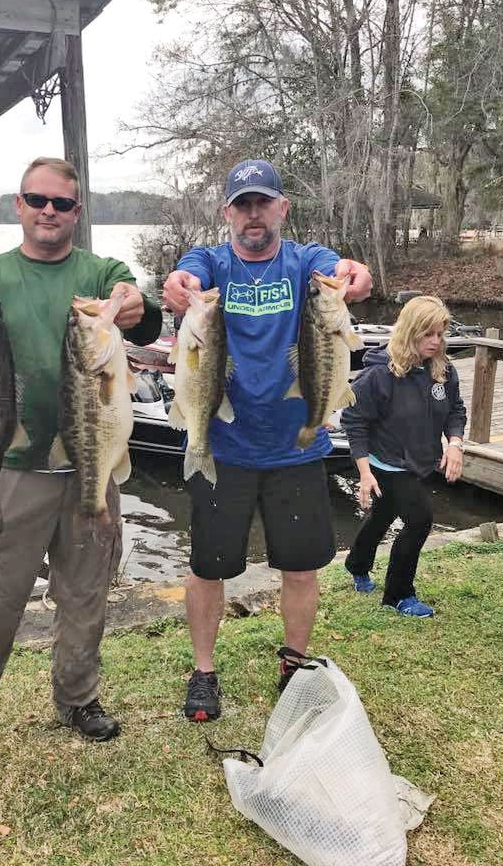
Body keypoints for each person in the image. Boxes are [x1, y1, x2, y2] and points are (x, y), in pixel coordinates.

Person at [0, 157, 162, 789]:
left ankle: (77, 698)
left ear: (78, 212)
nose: (49, 211)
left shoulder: (100, 273)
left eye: (63, 204)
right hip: (10, 469)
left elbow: (144, 314)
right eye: (36, 199)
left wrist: (134, 308)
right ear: (18, 205)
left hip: (90, 467)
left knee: (85, 597)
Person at [162, 158, 372, 721]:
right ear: (227, 212)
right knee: (208, 568)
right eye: (242, 204)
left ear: (282, 207)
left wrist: (354, 274)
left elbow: (347, 270)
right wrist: (179, 285)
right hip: (224, 446)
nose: (253, 215)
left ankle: (295, 663)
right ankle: (204, 670)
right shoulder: (213, 262)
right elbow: (186, 274)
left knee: (300, 567)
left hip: (297, 449)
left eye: (263, 203)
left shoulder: (307, 264)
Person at [341, 295, 466, 616]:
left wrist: (454, 443)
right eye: (428, 334)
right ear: (410, 331)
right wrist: (365, 473)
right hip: (387, 463)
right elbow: (353, 420)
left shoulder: (443, 370)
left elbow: (455, 409)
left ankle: (356, 564)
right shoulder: (380, 376)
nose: (436, 342)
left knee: (382, 515)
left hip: (421, 461)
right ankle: (399, 594)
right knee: (420, 520)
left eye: (440, 334)